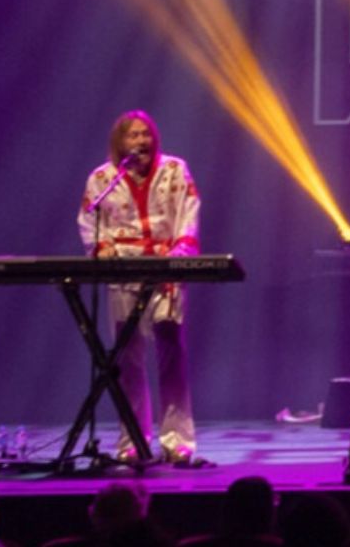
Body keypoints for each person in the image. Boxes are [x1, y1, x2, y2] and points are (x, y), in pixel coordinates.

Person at [77, 110, 204, 467]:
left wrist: (180, 253)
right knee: (126, 357)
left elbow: (189, 211)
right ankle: (133, 439)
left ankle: (177, 441)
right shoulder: (102, 179)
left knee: (170, 351)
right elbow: (89, 219)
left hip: (165, 269)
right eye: (132, 136)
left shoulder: (175, 170)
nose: (140, 141)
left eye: (145, 134)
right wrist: (102, 250)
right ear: (120, 142)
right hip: (124, 272)